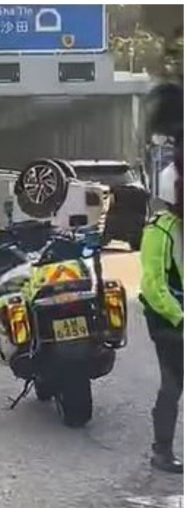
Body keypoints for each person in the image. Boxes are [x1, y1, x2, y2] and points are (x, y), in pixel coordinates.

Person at [140, 81, 183, 474]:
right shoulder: (161, 230)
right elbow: (153, 285)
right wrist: (180, 318)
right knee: (173, 383)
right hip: (168, 322)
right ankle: (161, 450)